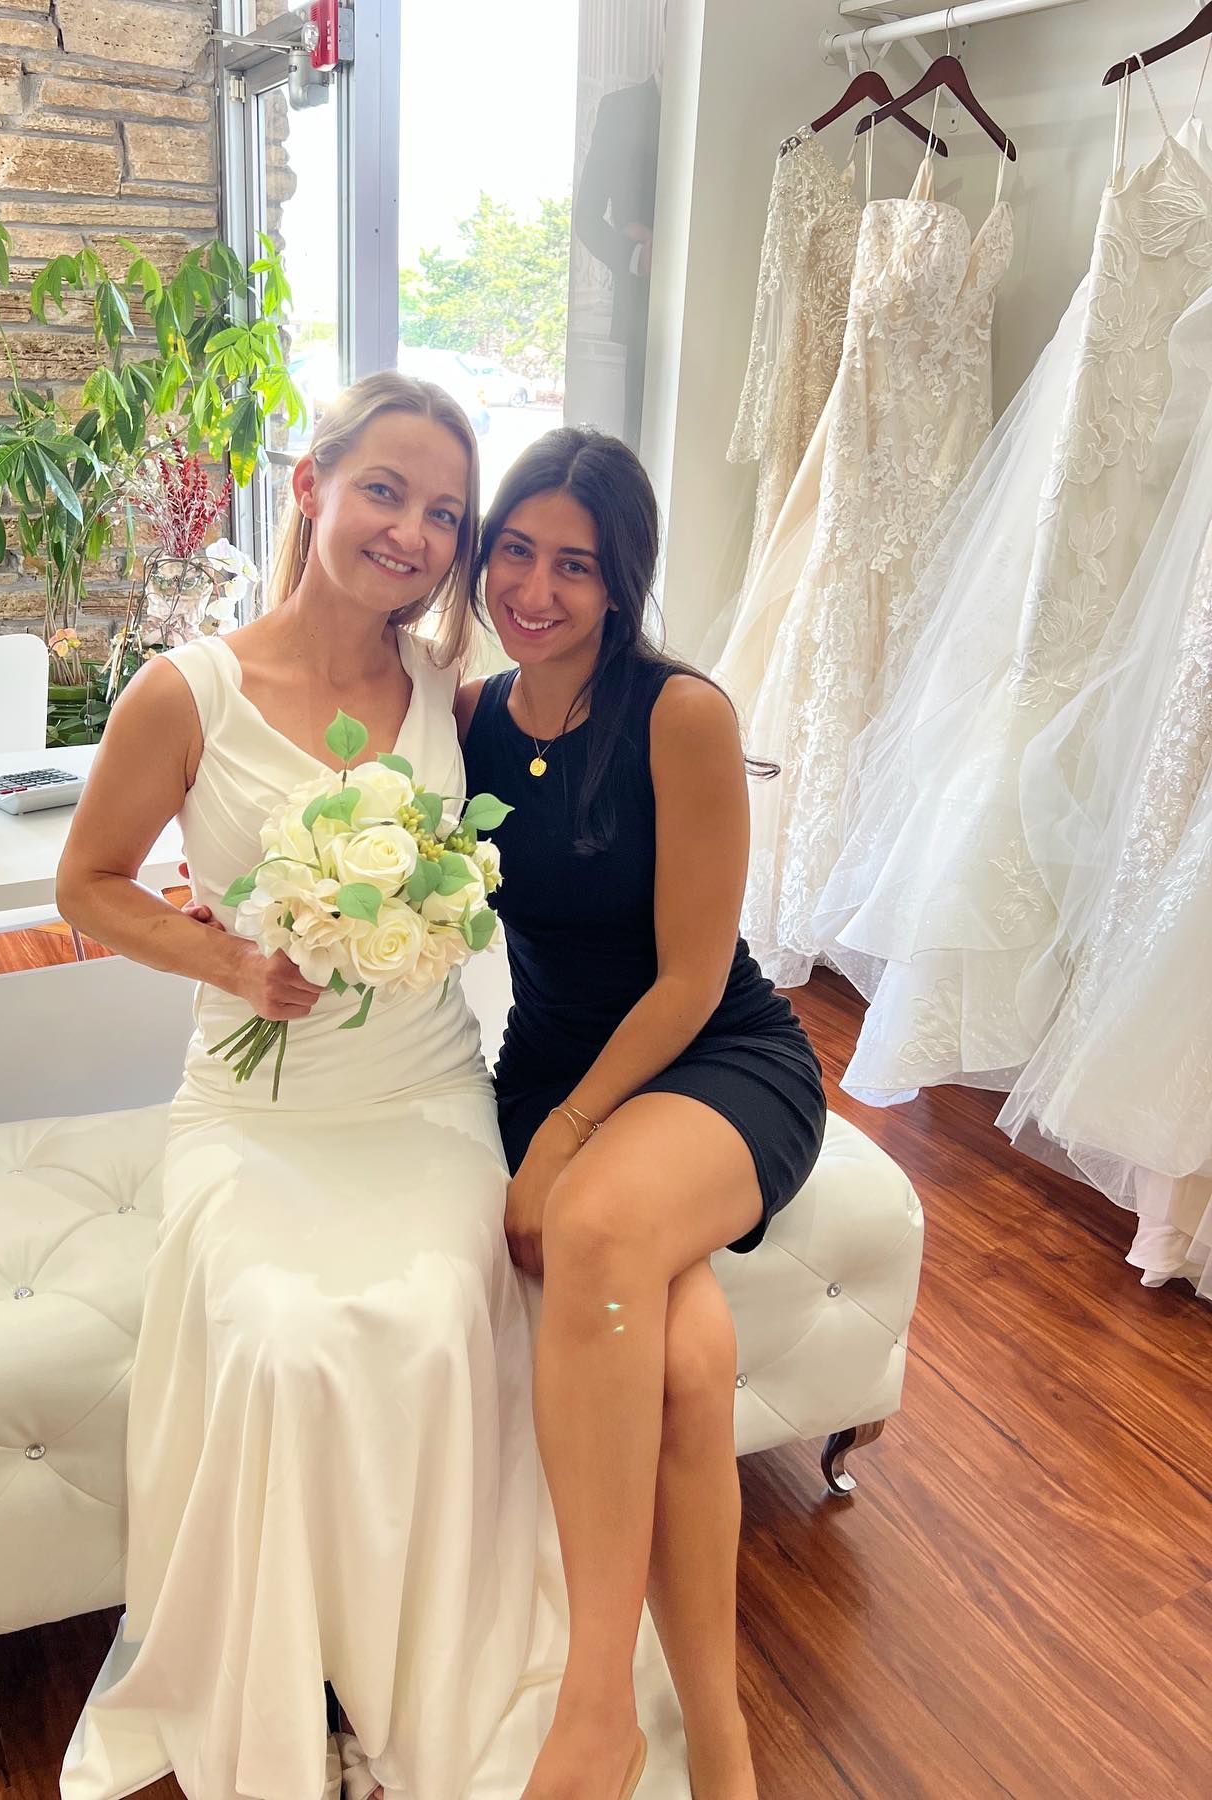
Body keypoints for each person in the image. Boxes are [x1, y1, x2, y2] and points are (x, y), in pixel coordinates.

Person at [54, 374, 542, 1800]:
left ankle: (412, 1674)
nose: (414, 531)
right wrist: (225, 964)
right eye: (386, 490)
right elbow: (85, 885)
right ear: (313, 485)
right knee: (276, 1338)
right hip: (256, 1113)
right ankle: (284, 1684)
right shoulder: (188, 690)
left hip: (425, 1099)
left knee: (440, 1312)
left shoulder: (460, 696)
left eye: (445, 511)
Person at [457, 427, 828, 1800]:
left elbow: (687, 979)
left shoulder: (683, 714)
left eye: (578, 565)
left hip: (714, 1059)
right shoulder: (474, 715)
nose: (538, 589)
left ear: (622, 584)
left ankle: (598, 1708)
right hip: (553, 1060)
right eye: (516, 552)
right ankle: (720, 1740)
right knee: (683, 1370)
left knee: (602, 1222)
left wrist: (563, 1139)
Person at [572, 38, 662, 447]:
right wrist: (636, 256)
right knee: (643, 445)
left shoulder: (721, 103)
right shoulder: (619, 108)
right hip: (642, 310)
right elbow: (586, 218)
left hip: (713, 302)